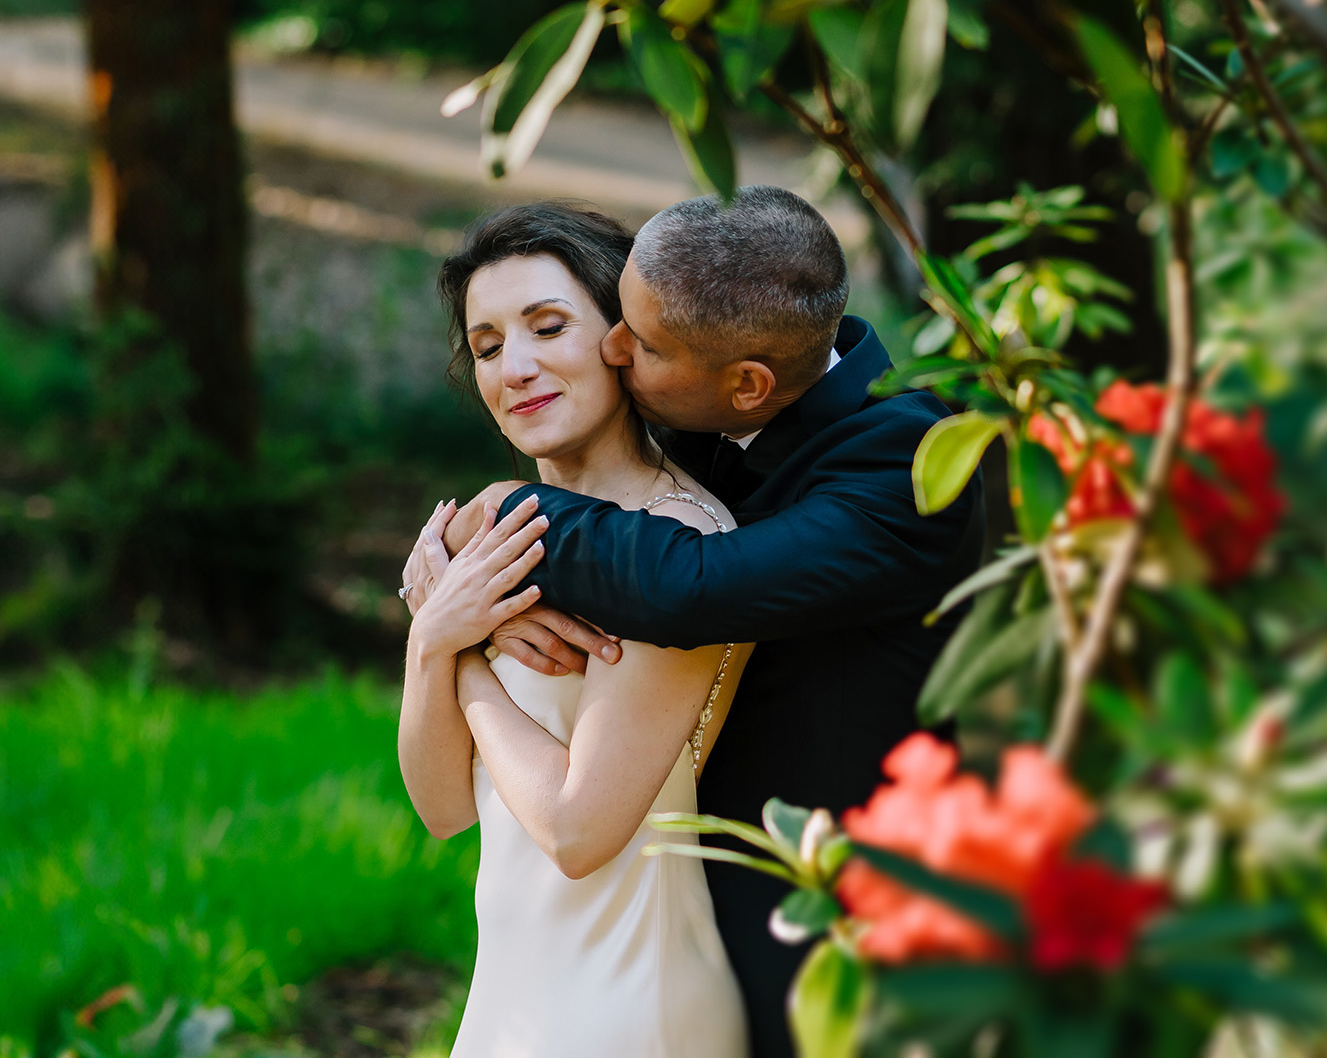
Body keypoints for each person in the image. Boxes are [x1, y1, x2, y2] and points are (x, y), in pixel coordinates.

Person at [417, 184, 985, 1058]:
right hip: (644, 909)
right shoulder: (709, 401)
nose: (612, 348)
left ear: (747, 384)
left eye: (638, 342)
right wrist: (455, 599)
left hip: (836, 926)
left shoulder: (902, 465)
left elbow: (691, 586)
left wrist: (495, 522)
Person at [398, 201, 749, 1058]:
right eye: (485, 345)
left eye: (546, 326)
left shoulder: (679, 548)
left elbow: (578, 830)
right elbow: (444, 807)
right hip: (513, 993)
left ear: (622, 338)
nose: (514, 366)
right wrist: (430, 640)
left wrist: (461, 650)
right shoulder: (498, 532)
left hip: (633, 996)